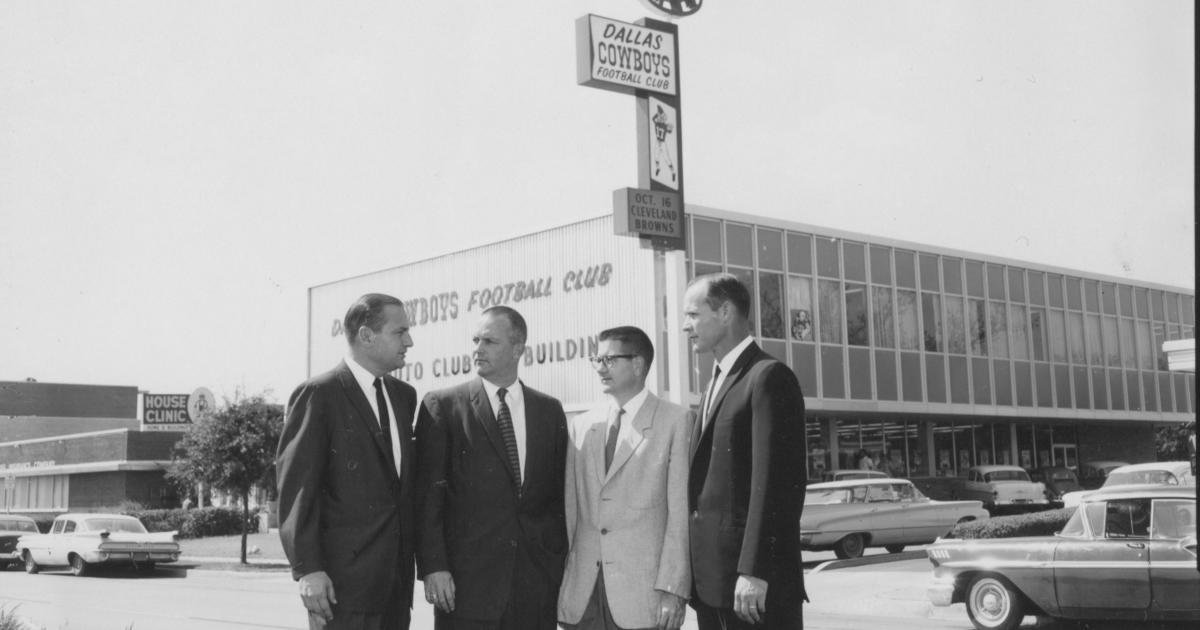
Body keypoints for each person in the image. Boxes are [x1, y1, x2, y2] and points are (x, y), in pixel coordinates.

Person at [415, 306, 568, 630]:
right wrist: (434, 567)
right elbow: (429, 498)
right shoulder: (442, 406)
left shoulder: (549, 411)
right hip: (465, 590)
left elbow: (556, 499)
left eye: (489, 341)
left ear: (517, 349)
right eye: (476, 340)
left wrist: (555, 568)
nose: (478, 349)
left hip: (534, 590)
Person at [276, 293, 417, 630]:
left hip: (395, 591)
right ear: (367, 335)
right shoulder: (319, 394)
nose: (409, 341)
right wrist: (307, 569)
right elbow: (296, 489)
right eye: (400, 332)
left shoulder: (404, 397)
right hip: (341, 592)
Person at [682, 273, 807, 630]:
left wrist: (756, 570)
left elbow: (779, 485)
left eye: (693, 315)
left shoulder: (767, 377)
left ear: (725, 312)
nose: (685, 326)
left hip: (752, 588)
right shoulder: (716, 382)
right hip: (715, 587)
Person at [558, 326, 693, 630]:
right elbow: (571, 510)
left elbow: (679, 516)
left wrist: (673, 589)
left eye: (609, 360)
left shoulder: (675, 421)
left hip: (643, 598)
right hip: (583, 596)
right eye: (597, 359)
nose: (599, 368)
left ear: (638, 364)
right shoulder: (582, 425)